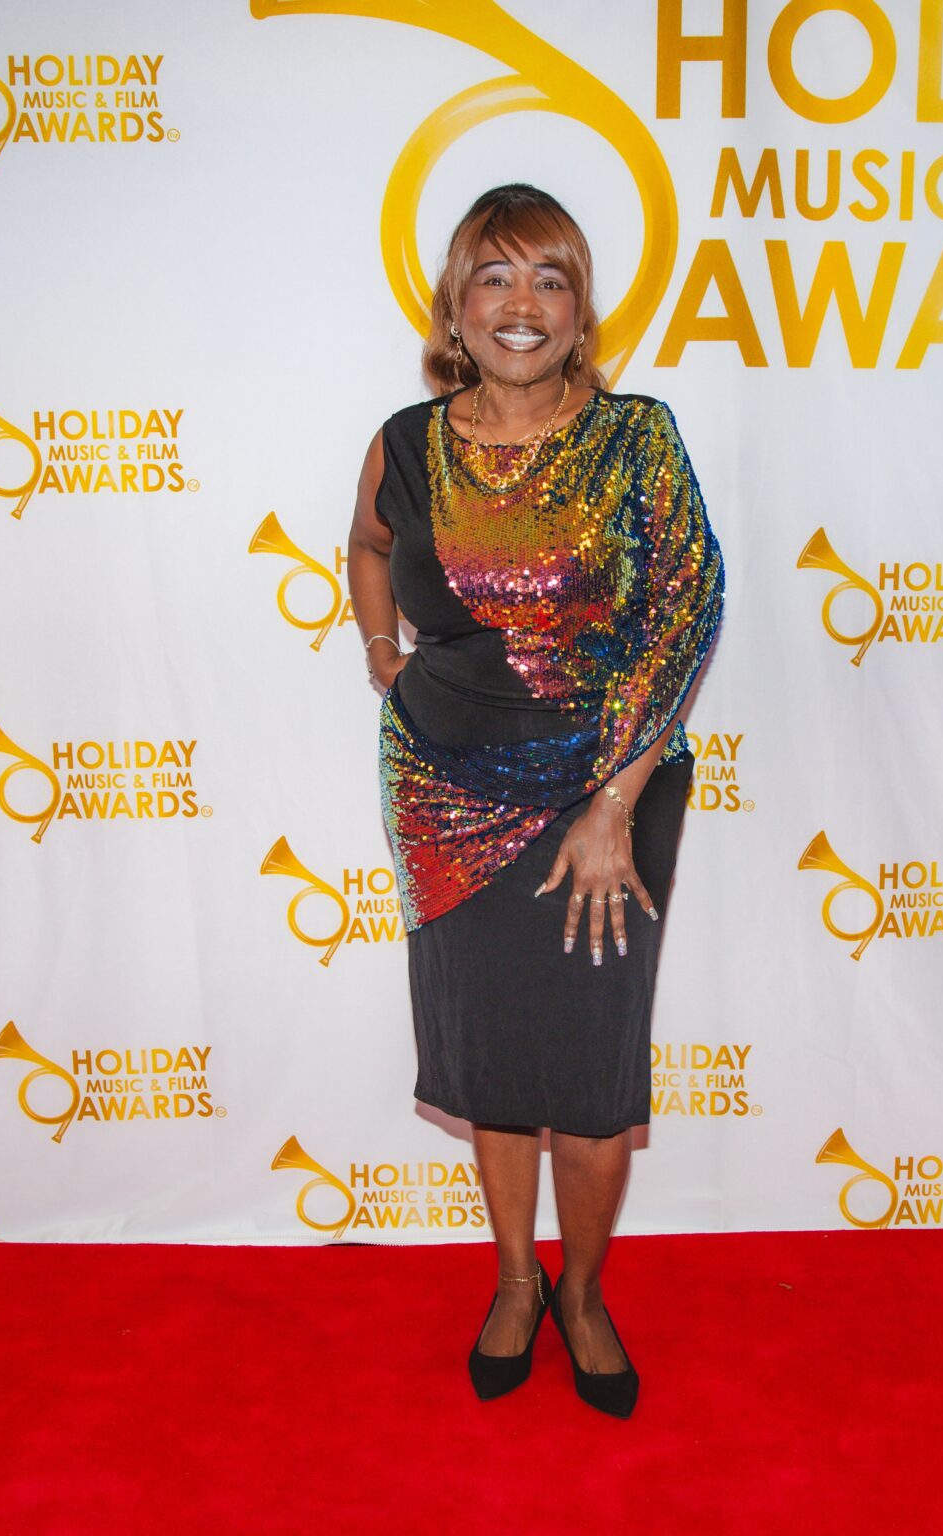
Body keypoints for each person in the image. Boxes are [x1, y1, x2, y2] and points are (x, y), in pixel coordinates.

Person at [347, 183, 724, 1418]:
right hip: (444, 791)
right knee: (494, 1058)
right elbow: (366, 544)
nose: (522, 306)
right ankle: (514, 1280)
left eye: (549, 279)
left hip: (605, 787)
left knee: (592, 1068)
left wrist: (612, 799)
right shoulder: (405, 439)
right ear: (456, 304)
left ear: (579, 310)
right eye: (496, 278)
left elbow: (686, 610)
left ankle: (584, 1292)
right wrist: (382, 660)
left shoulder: (638, 437)